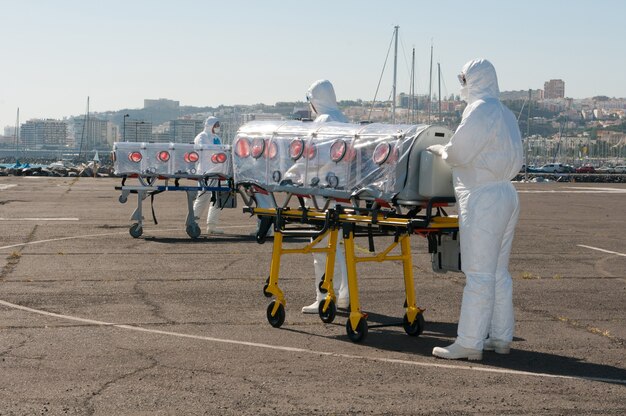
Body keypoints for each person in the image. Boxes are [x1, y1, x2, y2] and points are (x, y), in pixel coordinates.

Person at [427, 59, 523, 360]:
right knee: (497, 272)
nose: (461, 84)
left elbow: (460, 151)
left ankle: (469, 341)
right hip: (506, 192)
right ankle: (500, 336)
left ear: (474, 80)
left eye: (463, 78)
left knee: (479, 273)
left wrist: (443, 151)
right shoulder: (506, 113)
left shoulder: (480, 109)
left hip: (482, 197)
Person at [301, 79, 350, 313]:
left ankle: (324, 296)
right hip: (342, 192)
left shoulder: (322, 123)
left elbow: (312, 159)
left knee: (321, 246)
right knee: (340, 244)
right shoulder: (343, 119)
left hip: (322, 192)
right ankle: (344, 294)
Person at [193, 116, 225, 235]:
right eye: (216, 125)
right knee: (202, 197)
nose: (218, 127)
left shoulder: (217, 138)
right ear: (210, 125)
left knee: (217, 199)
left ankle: (212, 225)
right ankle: (193, 222)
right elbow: (201, 151)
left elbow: (221, 151)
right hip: (205, 172)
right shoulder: (201, 137)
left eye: (218, 125)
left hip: (217, 171)